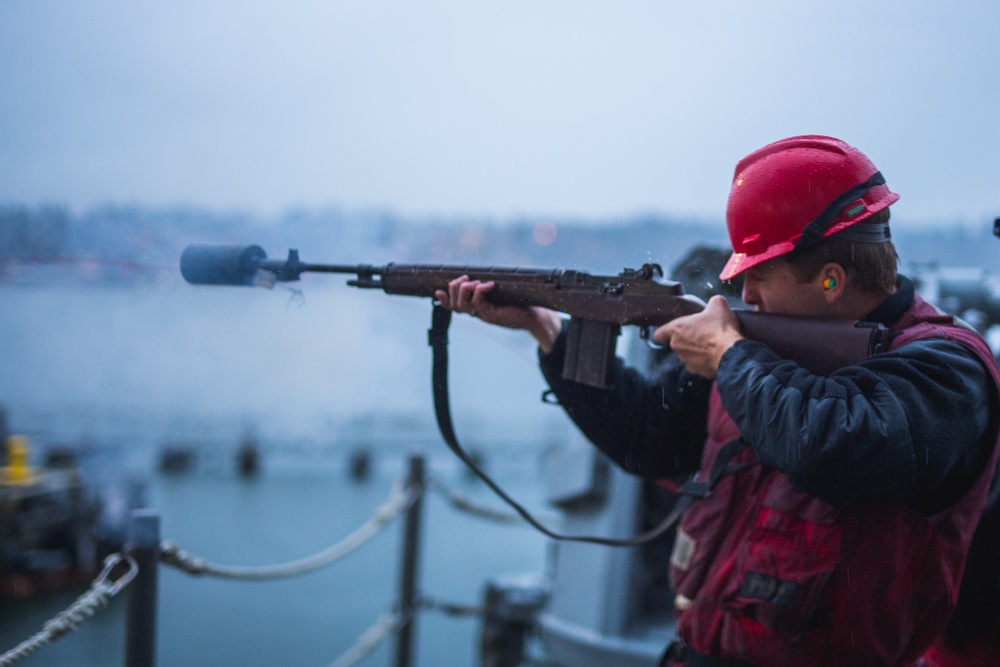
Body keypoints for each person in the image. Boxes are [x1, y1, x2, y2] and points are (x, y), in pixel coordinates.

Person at [435, 135, 1000, 667]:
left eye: (759, 277)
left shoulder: (948, 368)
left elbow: (836, 444)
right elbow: (652, 438)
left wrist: (729, 357)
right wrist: (549, 332)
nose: (743, 296)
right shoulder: (760, 348)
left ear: (830, 280)